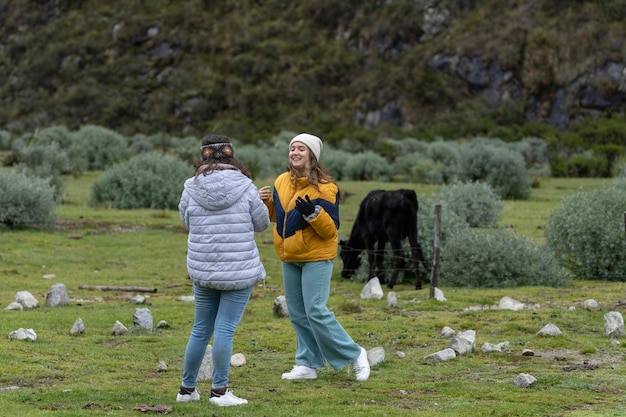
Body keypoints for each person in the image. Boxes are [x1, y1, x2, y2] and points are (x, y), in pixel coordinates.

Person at [259, 133, 370, 382]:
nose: (295, 152)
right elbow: (279, 218)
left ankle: (355, 353)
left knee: (316, 311)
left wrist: (313, 213)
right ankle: (308, 363)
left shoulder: (326, 189)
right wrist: (265, 203)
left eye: (301, 149)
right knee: (298, 314)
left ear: (312, 155)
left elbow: (331, 230)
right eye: (292, 149)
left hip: (317, 256)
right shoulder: (280, 182)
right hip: (289, 256)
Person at [177, 134, 269, 406]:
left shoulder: (190, 187)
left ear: (203, 155)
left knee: (200, 329)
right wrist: (261, 201)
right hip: (239, 270)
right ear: (231, 155)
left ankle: (186, 390)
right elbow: (261, 224)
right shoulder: (246, 186)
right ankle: (219, 392)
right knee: (225, 329)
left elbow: (186, 221)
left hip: (203, 269)